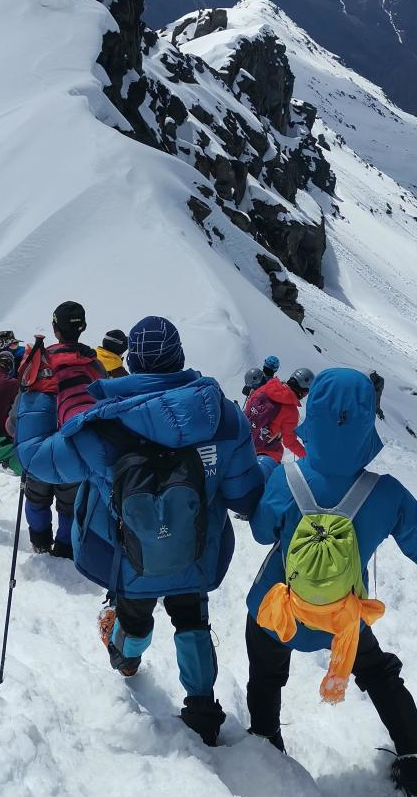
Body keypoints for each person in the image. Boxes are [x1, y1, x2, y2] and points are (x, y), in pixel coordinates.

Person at [245, 367, 417, 797]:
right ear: (367, 422)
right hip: (342, 622)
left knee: (266, 669)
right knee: (380, 676)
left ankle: (266, 746)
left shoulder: (287, 479)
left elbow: (263, 535)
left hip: (279, 609)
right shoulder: (386, 494)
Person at [15, 315, 265, 746]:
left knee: (133, 615)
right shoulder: (223, 417)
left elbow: (36, 459)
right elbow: (245, 495)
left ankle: (126, 660)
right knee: (192, 618)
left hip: (128, 555)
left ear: (133, 363)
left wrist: (38, 397)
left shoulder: (100, 425)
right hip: (196, 551)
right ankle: (203, 707)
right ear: (180, 357)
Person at [10, 301, 107, 558]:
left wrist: (15, 428)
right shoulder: (93, 366)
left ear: (55, 328)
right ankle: (65, 548)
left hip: (37, 446)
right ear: (82, 328)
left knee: (36, 496)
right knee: (69, 503)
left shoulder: (38, 359)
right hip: (74, 445)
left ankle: (39, 542)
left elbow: (19, 406)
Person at [244, 367, 313, 463]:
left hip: (243, 446)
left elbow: (248, 410)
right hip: (267, 455)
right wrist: (309, 459)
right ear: (304, 392)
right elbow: (290, 442)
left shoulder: (265, 388)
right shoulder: (291, 412)